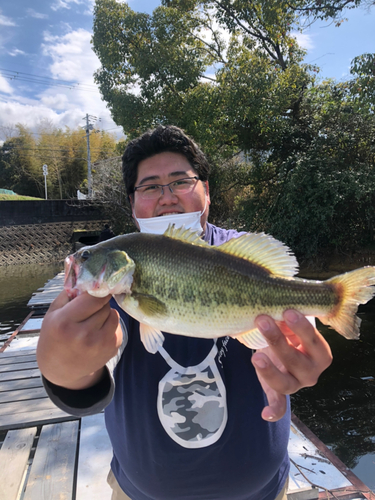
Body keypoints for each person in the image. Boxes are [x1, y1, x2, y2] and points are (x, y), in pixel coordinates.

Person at [37, 125, 333, 500]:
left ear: (206, 192)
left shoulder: (238, 251)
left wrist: (299, 341)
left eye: (181, 181)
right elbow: (86, 370)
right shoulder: (107, 292)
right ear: (133, 203)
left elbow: (281, 293)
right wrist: (59, 366)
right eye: (149, 186)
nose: (167, 197)